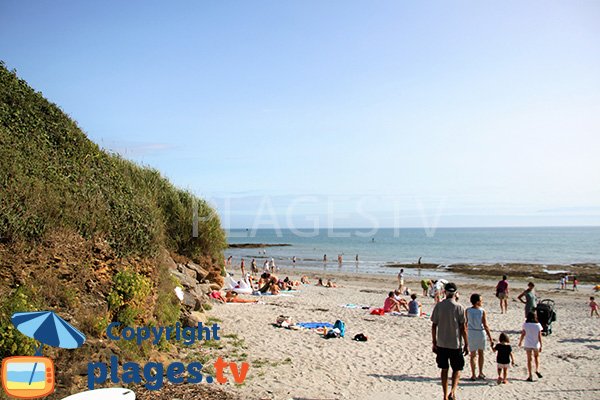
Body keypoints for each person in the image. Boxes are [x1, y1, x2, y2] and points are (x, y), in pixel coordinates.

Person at [431, 283, 468, 400]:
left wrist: (434, 341)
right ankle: (453, 391)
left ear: (444, 292)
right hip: (455, 343)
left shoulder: (439, 306)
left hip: (442, 342)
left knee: (444, 369)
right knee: (457, 369)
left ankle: (445, 394)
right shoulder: (459, 307)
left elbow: (434, 325)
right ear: (456, 293)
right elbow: (463, 328)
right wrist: (466, 343)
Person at [466, 294, 494, 381]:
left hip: (471, 332)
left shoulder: (467, 310)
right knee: (481, 353)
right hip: (480, 332)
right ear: (477, 302)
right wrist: (490, 337)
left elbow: (466, 323)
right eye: (481, 300)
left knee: (473, 355)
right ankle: (480, 372)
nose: (482, 302)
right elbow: (485, 325)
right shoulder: (482, 311)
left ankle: (473, 374)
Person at [518, 312, 543, 382]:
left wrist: (520, 342)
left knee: (529, 359)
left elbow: (523, 334)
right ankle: (537, 370)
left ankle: (530, 375)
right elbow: (539, 336)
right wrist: (541, 345)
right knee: (536, 357)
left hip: (528, 343)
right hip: (535, 344)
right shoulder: (538, 325)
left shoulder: (525, 325)